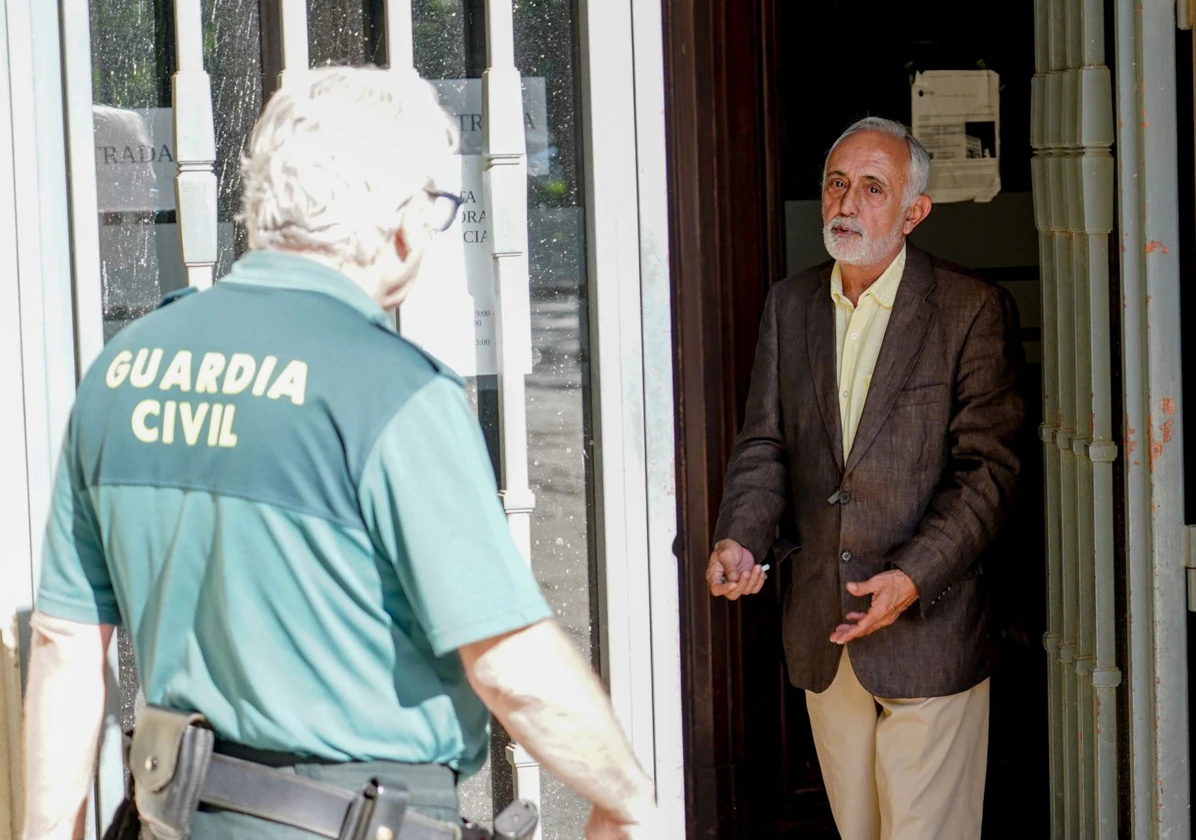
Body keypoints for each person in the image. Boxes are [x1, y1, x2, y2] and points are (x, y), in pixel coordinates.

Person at [23, 66, 659, 840]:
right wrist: (630, 802)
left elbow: (63, 649)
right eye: (437, 207)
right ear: (396, 221)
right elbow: (510, 668)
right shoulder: (395, 395)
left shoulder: (122, 372)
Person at [707, 116, 1023, 840]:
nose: (847, 203)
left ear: (914, 213)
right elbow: (764, 445)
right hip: (827, 630)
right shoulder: (791, 306)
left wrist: (911, 578)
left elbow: (989, 473)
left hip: (929, 629)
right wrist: (740, 539)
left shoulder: (969, 310)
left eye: (872, 189)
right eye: (836, 183)